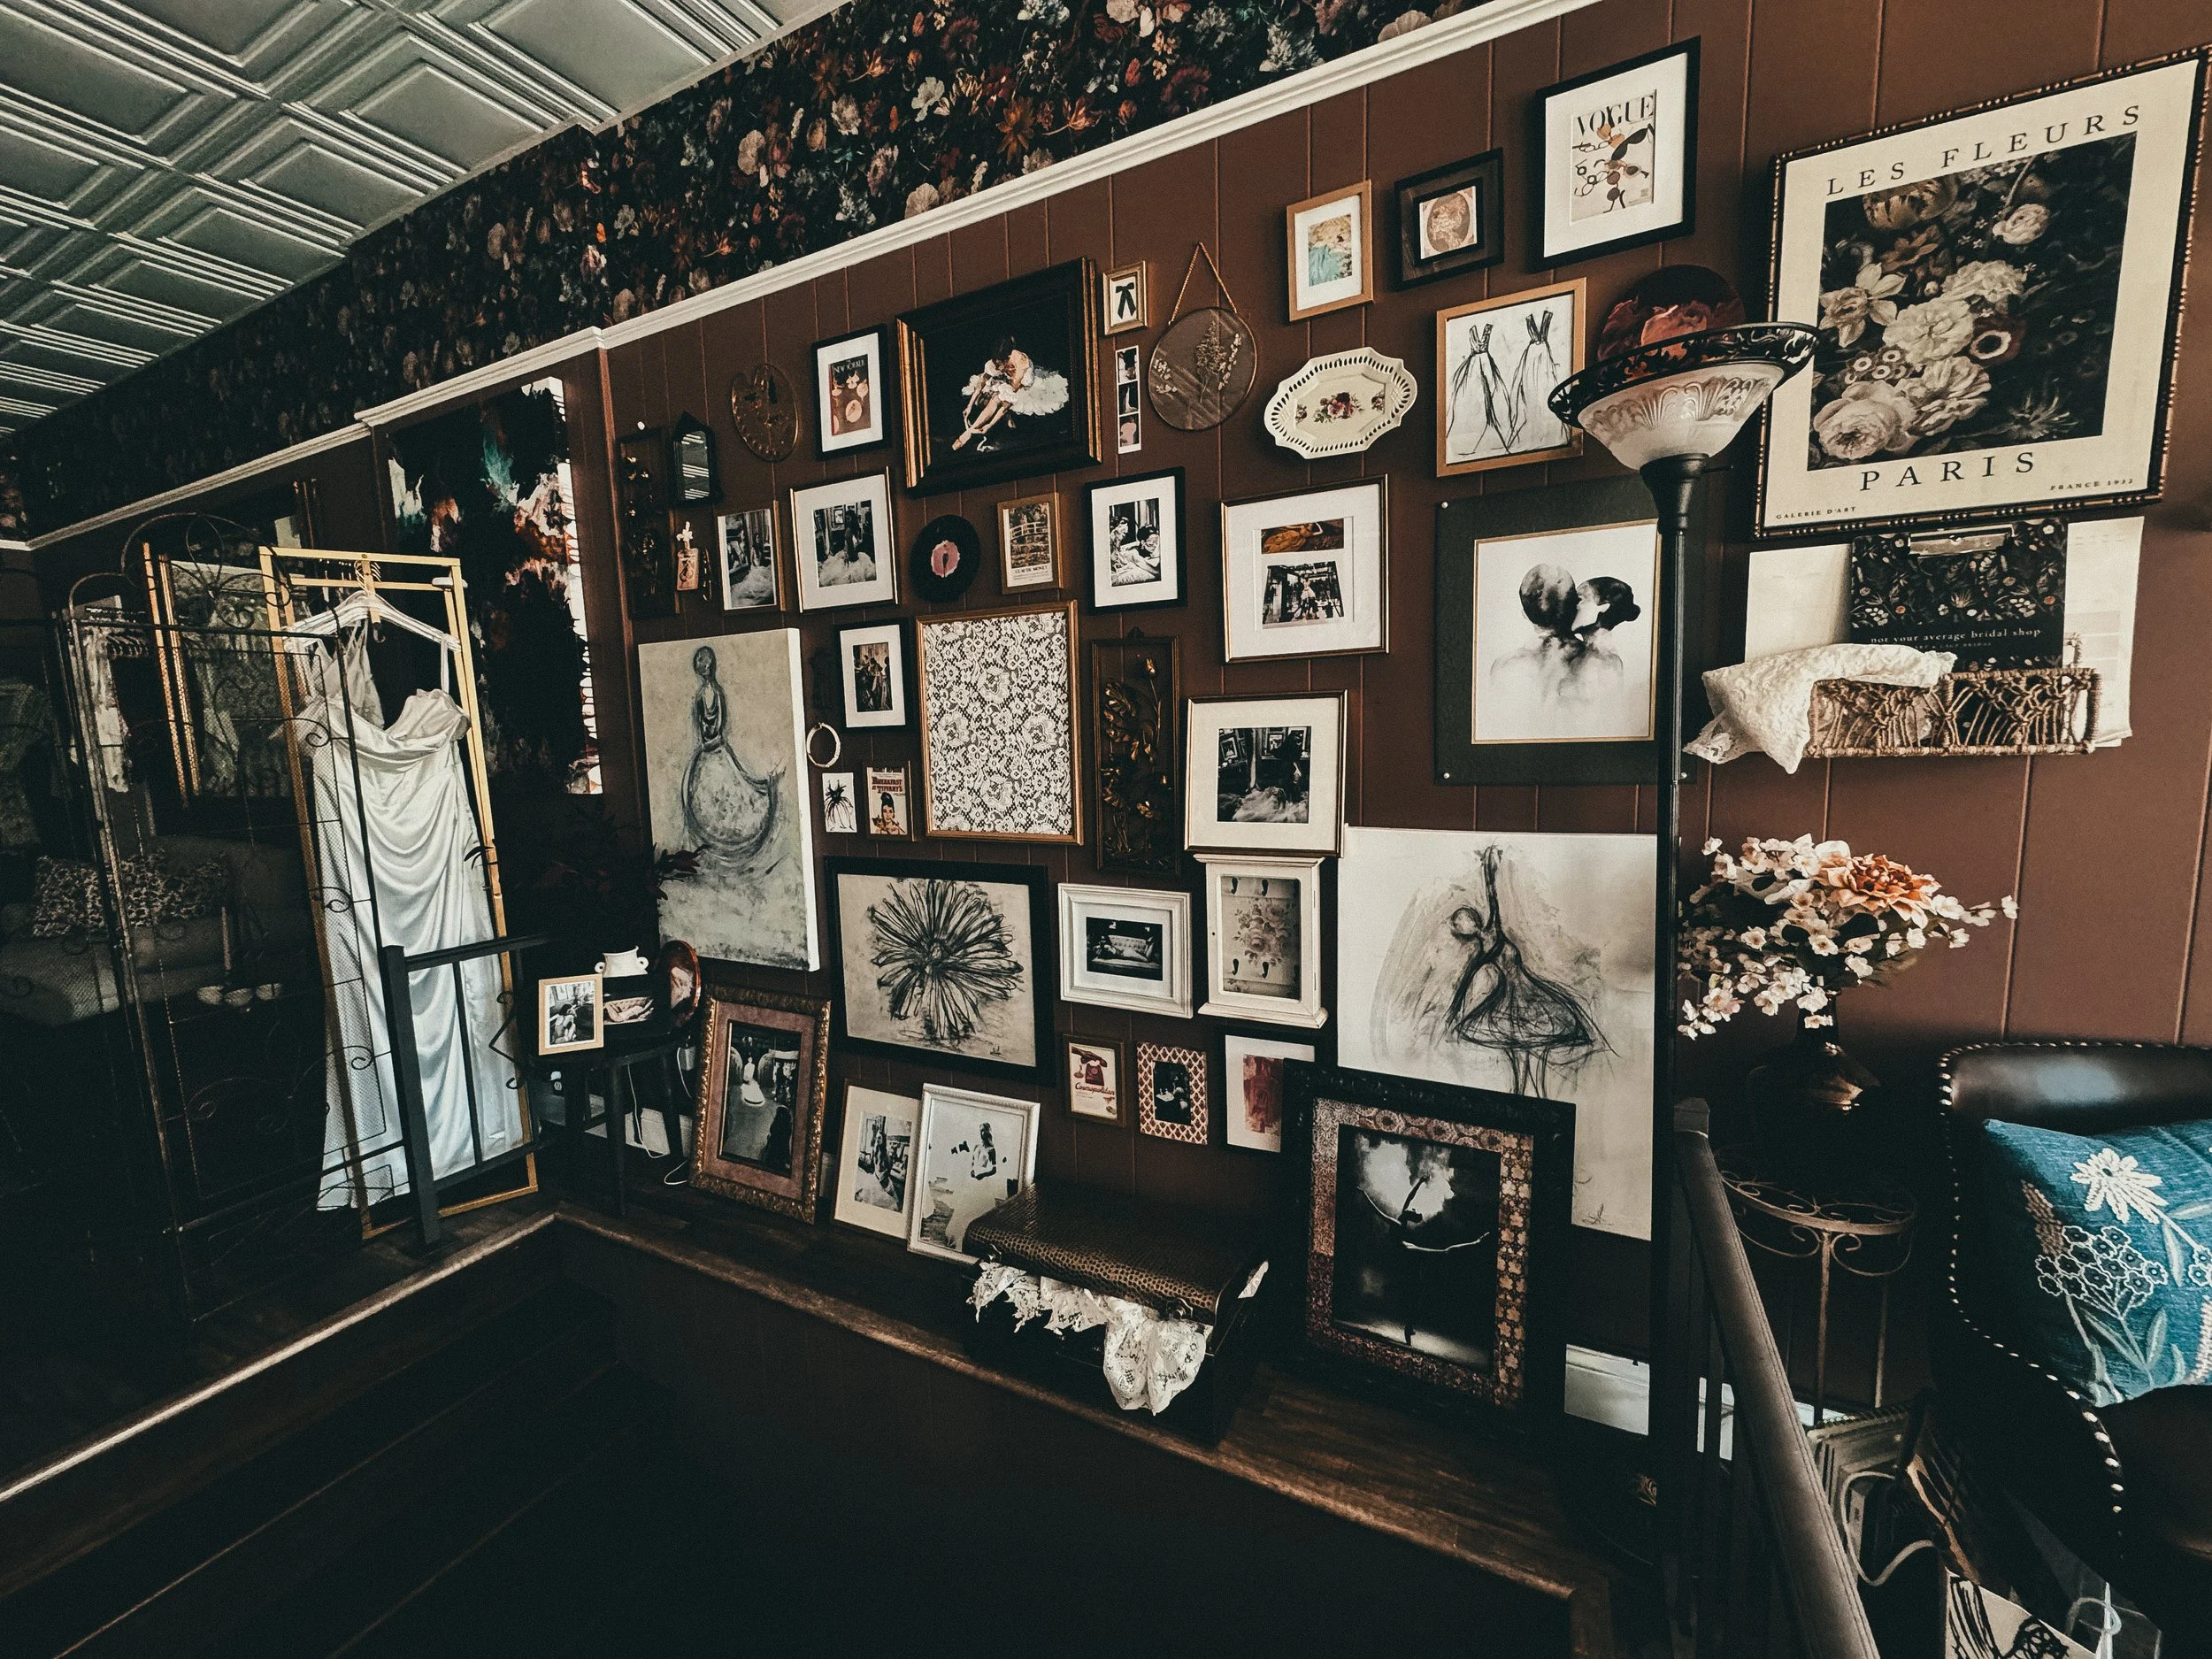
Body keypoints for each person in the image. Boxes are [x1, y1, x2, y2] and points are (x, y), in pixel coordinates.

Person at [954, 335, 1069, 451]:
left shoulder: (1021, 361)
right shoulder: (996, 362)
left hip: (1025, 387)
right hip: (1008, 381)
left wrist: (990, 425)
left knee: (998, 399)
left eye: (1000, 362)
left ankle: (968, 434)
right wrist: (969, 406)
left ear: (1008, 357)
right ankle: (969, 432)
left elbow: (1008, 401)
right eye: (995, 360)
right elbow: (981, 383)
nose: (997, 365)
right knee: (991, 395)